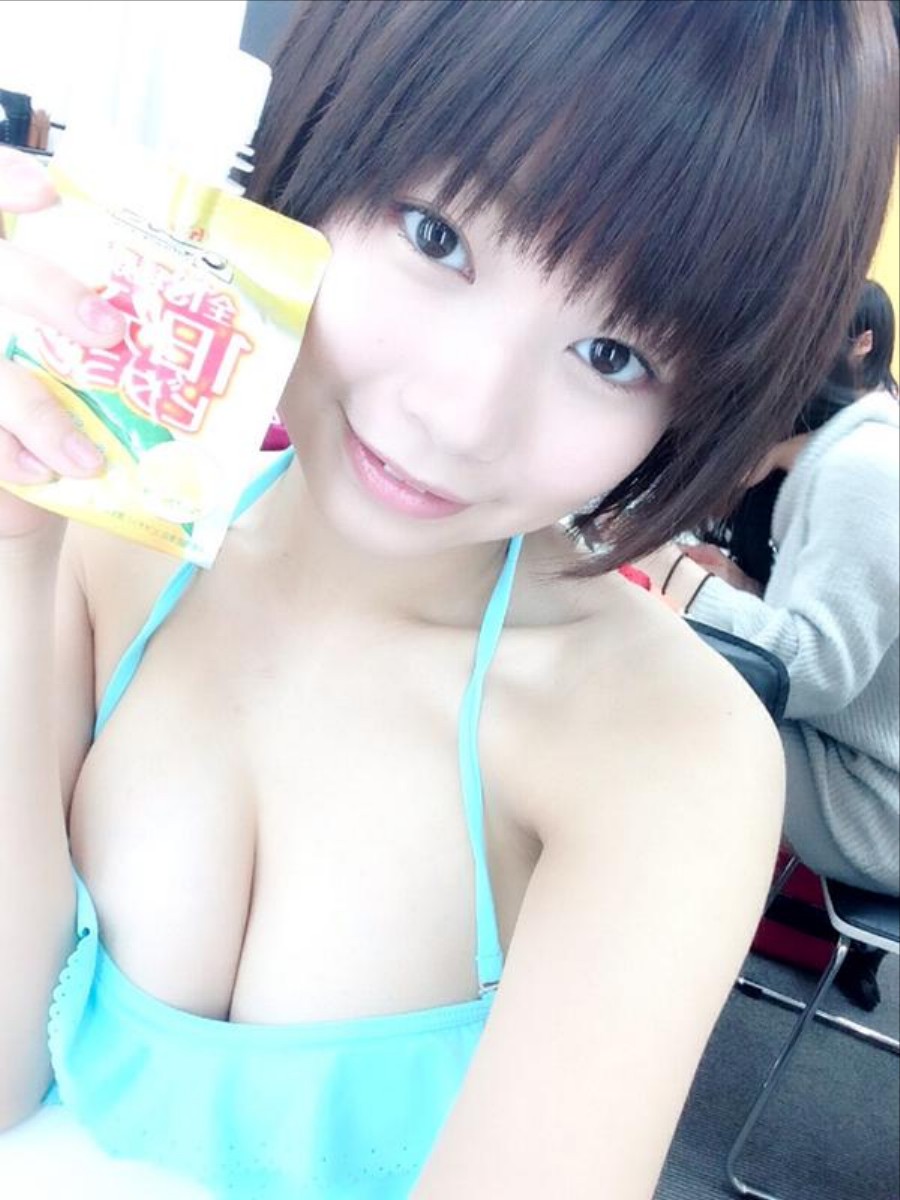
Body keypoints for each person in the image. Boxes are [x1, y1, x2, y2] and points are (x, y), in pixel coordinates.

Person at [0, 3, 896, 1197]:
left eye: (615, 355)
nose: (462, 416)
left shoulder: (660, 750)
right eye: (437, 236)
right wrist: (14, 550)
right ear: (317, 142)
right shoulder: (114, 545)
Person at [645, 281, 900, 1012]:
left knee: (646, 694)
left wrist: (666, 572)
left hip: (873, 805)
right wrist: (735, 589)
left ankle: (623, 963)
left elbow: (815, 669)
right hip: (850, 761)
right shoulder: (847, 455)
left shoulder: (866, 469)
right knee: (648, 669)